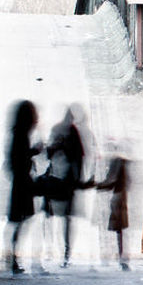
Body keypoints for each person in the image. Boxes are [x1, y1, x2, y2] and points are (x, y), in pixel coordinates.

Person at [43, 106, 86, 267]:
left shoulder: (66, 131)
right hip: (61, 178)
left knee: (56, 217)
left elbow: (77, 157)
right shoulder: (71, 131)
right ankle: (60, 253)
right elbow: (79, 158)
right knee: (60, 218)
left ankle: (62, 253)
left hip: (60, 178)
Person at [5, 101, 40, 274]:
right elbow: (21, 158)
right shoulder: (22, 135)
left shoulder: (17, 133)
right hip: (23, 183)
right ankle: (12, 258)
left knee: (18, 221)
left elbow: (13, 160)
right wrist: (34, 151)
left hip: (19, 183)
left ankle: (12, 258)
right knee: (20, 220)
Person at [94, 141, 130, 270]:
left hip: (118, 197)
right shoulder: (122, 161)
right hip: (121, 196)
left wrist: (96, 186)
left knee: (118, 229)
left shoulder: (117, 161)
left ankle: (120, 258)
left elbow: (111, 180)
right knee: (120, 230)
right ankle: (121, 258)